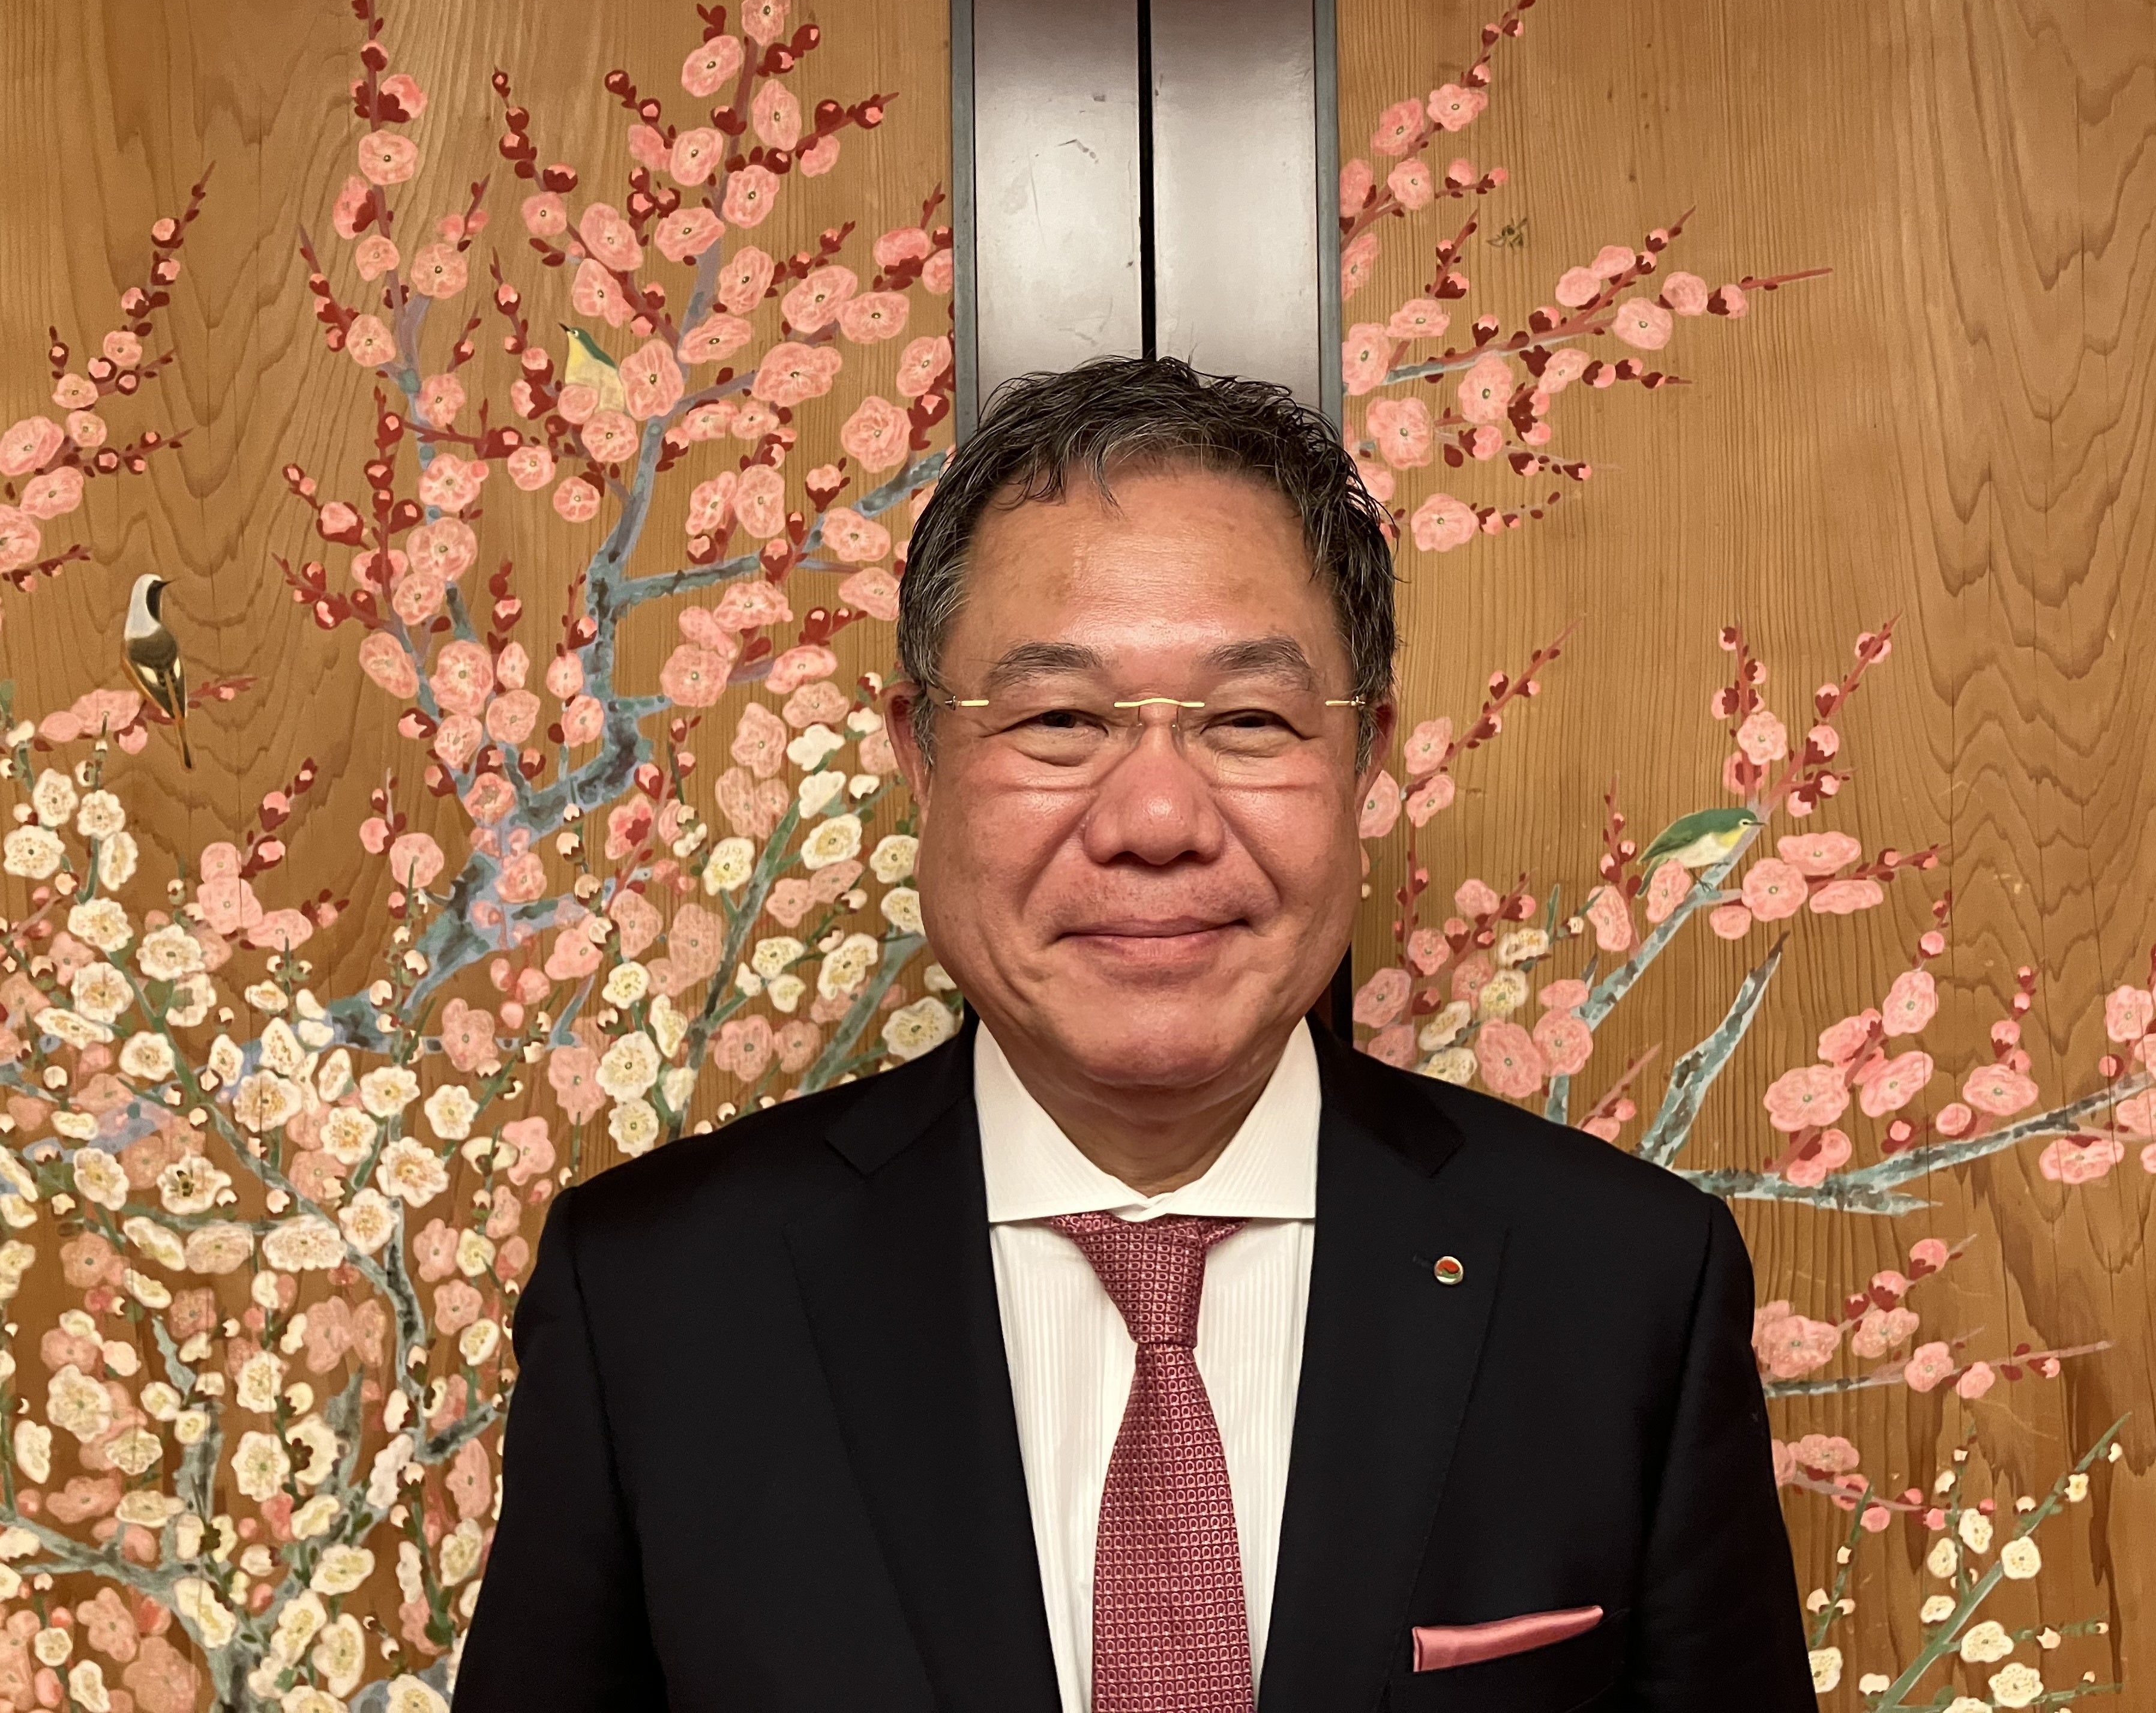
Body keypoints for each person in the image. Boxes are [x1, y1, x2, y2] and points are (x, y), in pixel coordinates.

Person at [452, 357, 1815, 1712]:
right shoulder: (659, 1302)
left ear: (1366, 759)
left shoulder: (1623, 1287)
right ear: (921, 756)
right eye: (1059, 719)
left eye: (1250, 721)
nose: (1157, 822)